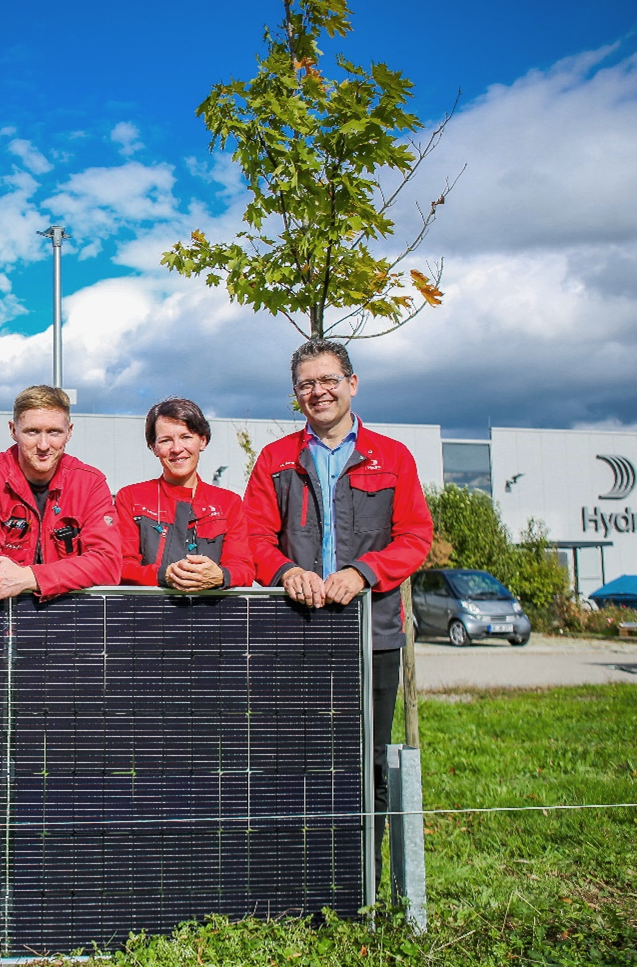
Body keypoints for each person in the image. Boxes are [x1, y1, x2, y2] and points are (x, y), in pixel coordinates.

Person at [242, 338, 432, 883]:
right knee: (293, 762)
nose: (317, 392)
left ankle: (359, 883)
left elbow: (415, 537)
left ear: (352, 384)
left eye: (328, 380)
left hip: (373, 634)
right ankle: (294, 878)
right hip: (295, 630)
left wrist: (362, 573)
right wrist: (284, 573)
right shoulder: (275, 459)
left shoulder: (392, 456)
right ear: (295, 395)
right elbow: (254, 537)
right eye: (306, 384)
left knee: (367, 762)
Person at [0, 385, 120, 600]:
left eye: (54, 432)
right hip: (4, 610)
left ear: (69, 432)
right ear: (13, 430)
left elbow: (108, 564)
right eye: (32, 432)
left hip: (70, 613)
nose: (43, 445)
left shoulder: (90, 482)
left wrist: (29, 577)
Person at [115, 397, 255, 590]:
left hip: (213, 616)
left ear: (202, 441)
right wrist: (165, 575)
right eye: (165, 440)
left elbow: (244, 568)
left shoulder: (228, 503)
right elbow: (120, 566)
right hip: (148, 614)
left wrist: (220, 576)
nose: (177, 449)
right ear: (154, 447)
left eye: (186, 437)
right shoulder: (131, 498)